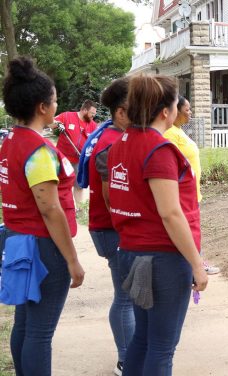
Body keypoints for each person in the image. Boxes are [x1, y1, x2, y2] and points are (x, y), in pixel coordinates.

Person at [107, 74, 208, 375]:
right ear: (166, 111)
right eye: (177, 103)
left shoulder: (121, 143)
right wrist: (197, 264)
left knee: (143, 337)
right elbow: (171, 214)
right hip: (162, 259)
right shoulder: (159, 149)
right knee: (162, 347)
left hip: (132, 253)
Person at [0, 56, 85, 375]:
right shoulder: (37, 151)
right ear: (41, 107)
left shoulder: (10, 141)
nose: (57, 104)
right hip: (42, 247)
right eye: (54, 100)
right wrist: (72, 259)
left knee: (24, 324)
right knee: (39, 332)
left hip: (18, 240)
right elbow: (50, 209)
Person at [86, 77, 134, 376]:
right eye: (136, 106)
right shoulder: (110, 143)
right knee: (126, 298)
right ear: (120, 112)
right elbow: (110, 195)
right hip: (111, 230)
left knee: (127, 296)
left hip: (111, 229)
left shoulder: (113, 137)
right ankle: (126, 361)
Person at [163, 95, 220, 275]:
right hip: (182, 195)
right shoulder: (170, 133)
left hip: (191, 192)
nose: (190, 113)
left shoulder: (178, 130)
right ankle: (196, 266)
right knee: (188, 231)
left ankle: (196, 263)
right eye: (187, 109)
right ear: (175, 111)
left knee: (193, 230)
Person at [53, 99, 98, 204]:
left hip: (79, 161)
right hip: (62, 160)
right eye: (92, 114)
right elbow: (51, 123)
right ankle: (60, 206)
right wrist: (57, 124)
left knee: (79, 186)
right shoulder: (67, 116)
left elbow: (95, 143)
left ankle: (79, 208)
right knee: (62, 185)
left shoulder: (93, 125)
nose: (93, 116)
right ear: (85, 110)